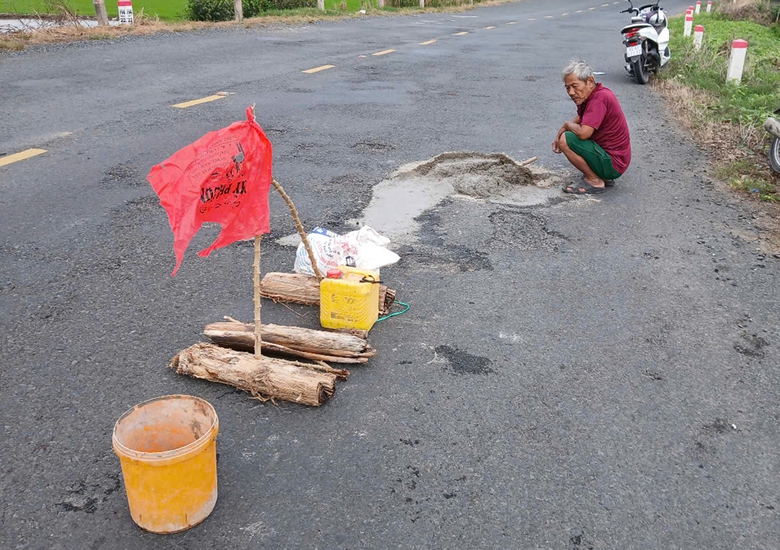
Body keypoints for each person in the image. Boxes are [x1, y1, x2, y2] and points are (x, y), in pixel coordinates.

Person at [552, 59, 631, 194]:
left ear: (589, 81)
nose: (571, 92)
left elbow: (584, 133)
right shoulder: (595, 95)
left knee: (566, 139)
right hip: (616, 160)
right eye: (567, 87)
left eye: (575, 86)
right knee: (567, 134)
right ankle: (602, 174)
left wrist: (566, 126)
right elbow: (583, 117)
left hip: (614, 163)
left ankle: (594, 180)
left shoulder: (598, 99)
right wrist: (562, 129)